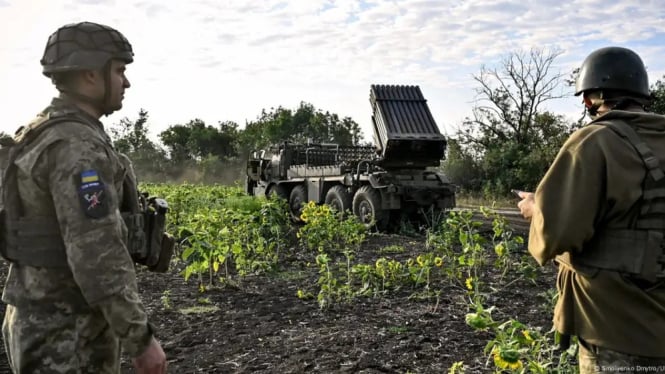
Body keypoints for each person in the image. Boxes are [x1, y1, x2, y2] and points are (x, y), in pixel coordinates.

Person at [0, 22, 167, 373]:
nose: (126, 82)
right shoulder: (78, 147)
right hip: (67, 335)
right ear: (91, 75)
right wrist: (140, 339)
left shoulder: (40, 131)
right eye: (120, 70)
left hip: (40, 318)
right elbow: (97, 252)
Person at [517, 46, 665, 373]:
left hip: (619, 331)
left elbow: (555, 234)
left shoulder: (595, 141)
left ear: (589, 99)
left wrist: (534, 209)